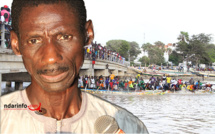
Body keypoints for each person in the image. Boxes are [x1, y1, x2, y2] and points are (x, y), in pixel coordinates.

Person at [0, 0, 148, 133]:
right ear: (15, 44)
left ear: (87, 34)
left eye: (65, 37)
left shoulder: (127, 127)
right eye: (34, 40)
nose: (51, 57)